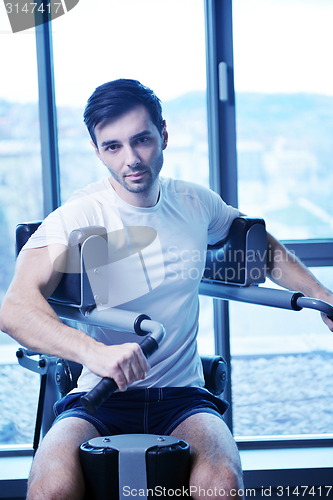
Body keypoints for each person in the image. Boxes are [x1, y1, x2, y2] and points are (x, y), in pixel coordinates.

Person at [0, 79, 332, 500]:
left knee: (221, 481)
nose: (132, 159)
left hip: (183, 396)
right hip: (99, 394)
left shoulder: (195, 203)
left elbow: (260, 249)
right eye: (113, 146)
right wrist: (96, 353)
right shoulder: (79, 214)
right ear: (97, 151)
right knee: (51, 486)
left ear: (164, 135)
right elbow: (14, 308)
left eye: (142, 140)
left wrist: (324, 294)